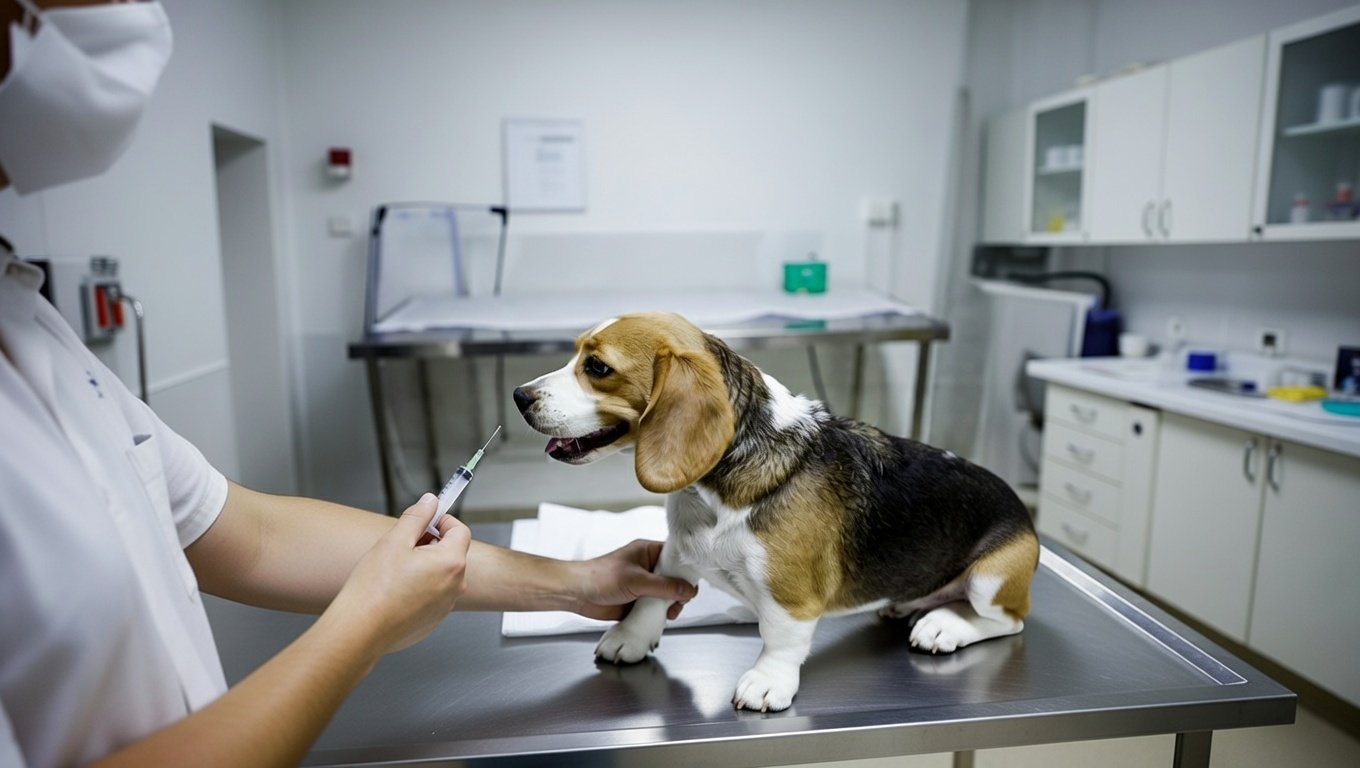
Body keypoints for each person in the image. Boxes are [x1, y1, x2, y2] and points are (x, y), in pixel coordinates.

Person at [0, 2, 697, 766]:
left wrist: (576, 581)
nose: (113, 15)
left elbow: (253, 536)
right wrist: (366, 624)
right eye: (36, 7)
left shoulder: (33, 328)